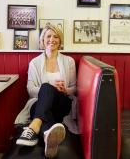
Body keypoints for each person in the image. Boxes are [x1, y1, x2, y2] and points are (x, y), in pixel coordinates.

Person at [14, 24, 77, 158]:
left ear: (60, 41)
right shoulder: (34, 63)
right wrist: (48, 90)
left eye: (56, 36)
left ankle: (33, 127)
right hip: (40, 105)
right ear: (42, 41)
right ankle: (47, 136)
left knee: (47, 87)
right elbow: (30, 90)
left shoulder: (69, 61)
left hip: (61, 104)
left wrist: (65, 90)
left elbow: (74, 88)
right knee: (46, 88)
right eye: (48, 36)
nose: (52, 39)